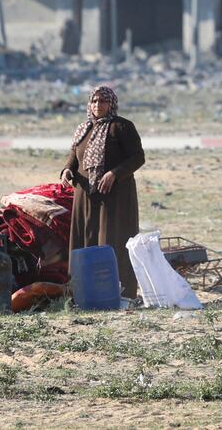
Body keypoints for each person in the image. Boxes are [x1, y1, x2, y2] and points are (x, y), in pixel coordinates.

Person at [60, 86, 145, 300]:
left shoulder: (122, 127)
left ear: (112, 103)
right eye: (94, 101)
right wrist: (67, 170)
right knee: (84, 239)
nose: (98, 105)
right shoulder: (83, 128)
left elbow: (138, 158)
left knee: (112, 240)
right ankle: (82, 292)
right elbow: (74, 153)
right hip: (85, 194)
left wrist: (114, 174)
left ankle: (120, 292)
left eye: (103, 101)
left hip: (115, 196)